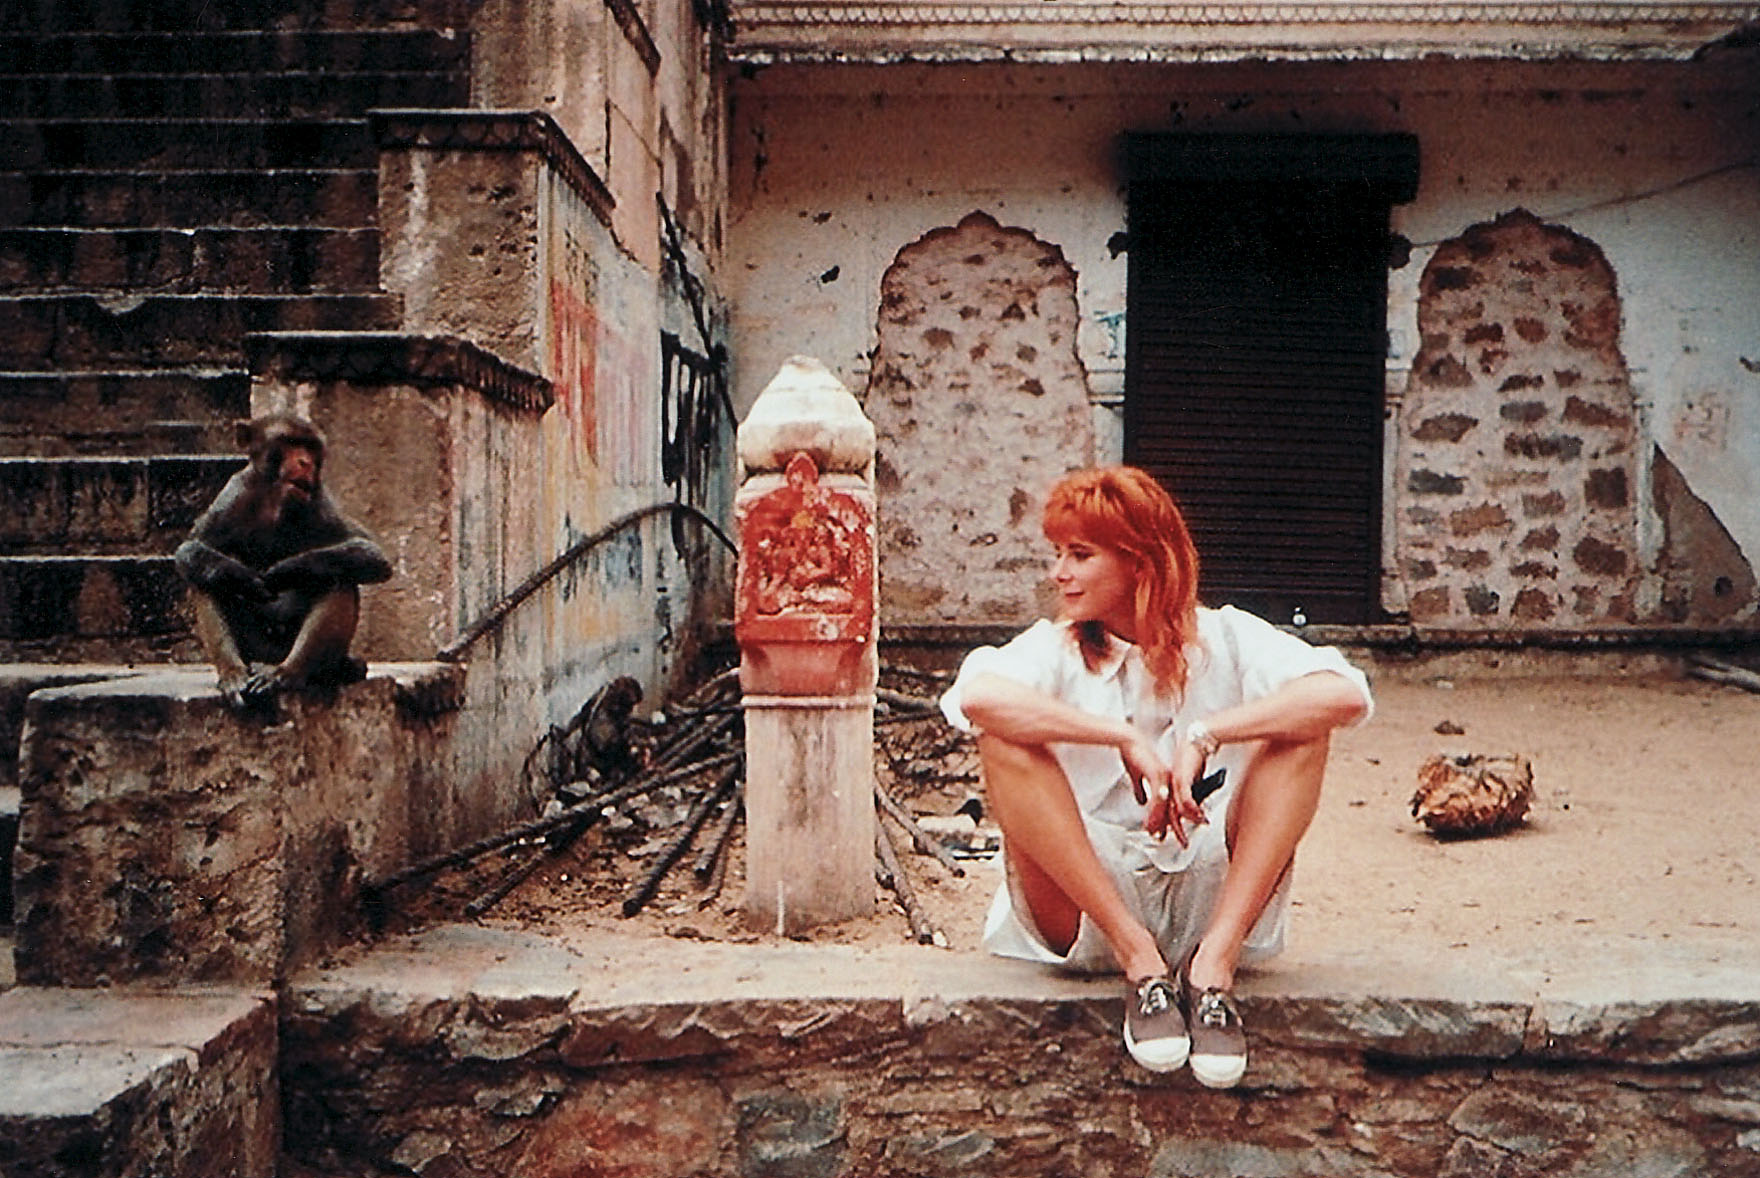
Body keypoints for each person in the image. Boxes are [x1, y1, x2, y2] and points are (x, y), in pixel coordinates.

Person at [939, 466, 1372, 1087]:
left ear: (1140, 561)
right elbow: (976, 699)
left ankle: (1212, 970)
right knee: (1006, 740)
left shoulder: (1227, 636)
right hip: (1092, 905)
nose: (1058, 573)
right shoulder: (1054, 646)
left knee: (1303, 730)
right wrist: (1121, 736)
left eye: (1079, 555)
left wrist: (1210, 733)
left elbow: (1345, 695)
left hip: (1211, 891)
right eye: (1058, 554)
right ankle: (1141, 965)